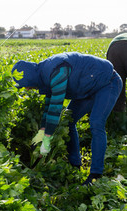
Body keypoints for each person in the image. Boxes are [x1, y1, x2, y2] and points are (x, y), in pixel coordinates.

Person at [12, 52, 122, 185]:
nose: (28, 89)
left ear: (30, 78)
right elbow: (48, 107)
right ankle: (75, 164)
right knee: (69, 120)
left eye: (26, 85)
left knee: (96, 123)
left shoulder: (56, 71)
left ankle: (95, 175)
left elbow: (56, 107)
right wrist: (42, 130)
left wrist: (47, 137)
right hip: (87, 88)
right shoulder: (43, 75)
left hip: (107, 82)